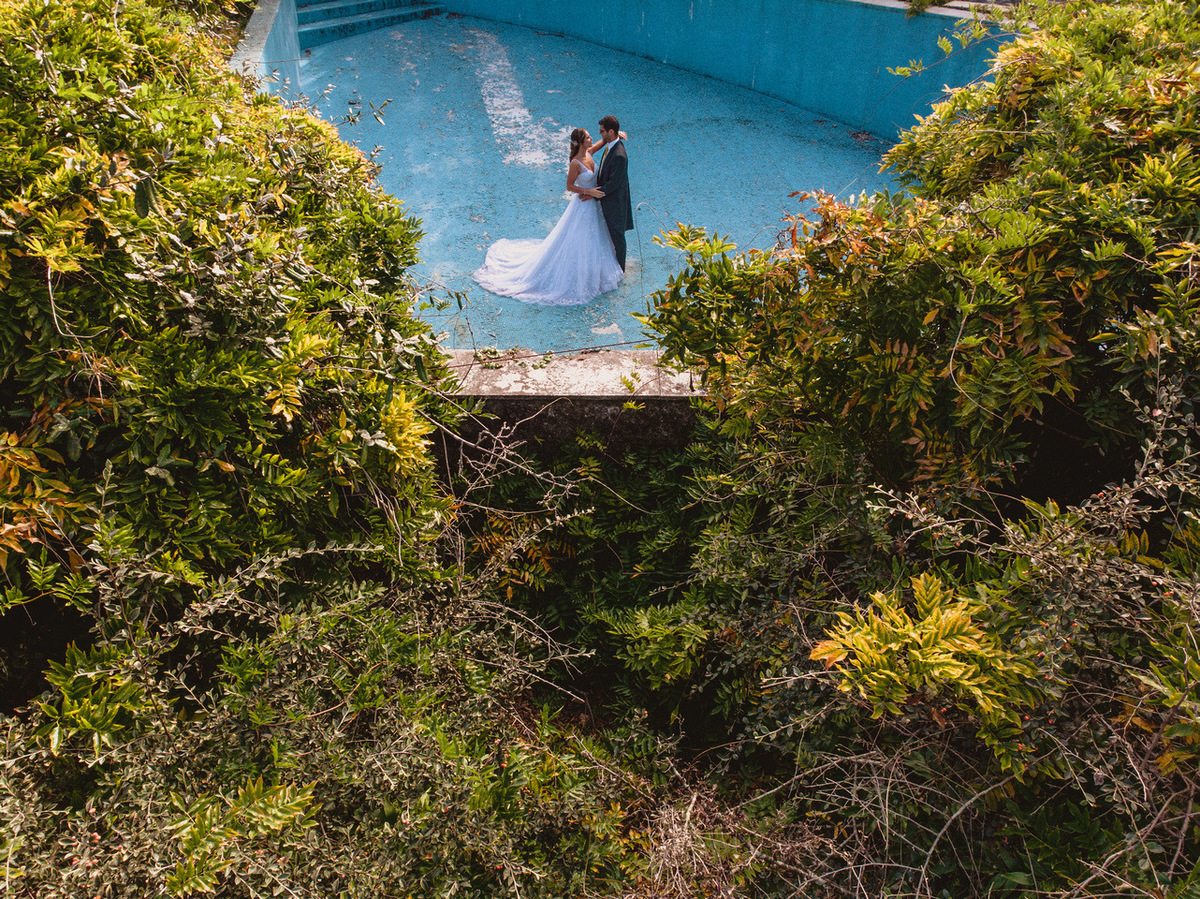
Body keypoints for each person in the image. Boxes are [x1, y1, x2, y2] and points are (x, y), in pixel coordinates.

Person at [472, 127, 623, 305]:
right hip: (583, 204)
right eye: (588, 138)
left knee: (595, 238)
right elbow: (569, 186)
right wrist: (587, 190)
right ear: (581, 142)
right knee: (580, 239)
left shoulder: (589, 152)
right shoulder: (575, 163)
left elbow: (603, 142)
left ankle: (593, 272)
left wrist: (617, 135)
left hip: (592, 203)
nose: (592, 139)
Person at [591, 114, 633, 271]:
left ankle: (621, 269)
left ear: (610, 131)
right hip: (607, 201)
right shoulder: (611, 145)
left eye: (602, 131)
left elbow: (613, 185)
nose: (600, 134)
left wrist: (592, 194)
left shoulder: (619, 155)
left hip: (615, 205)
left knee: (618, 238)